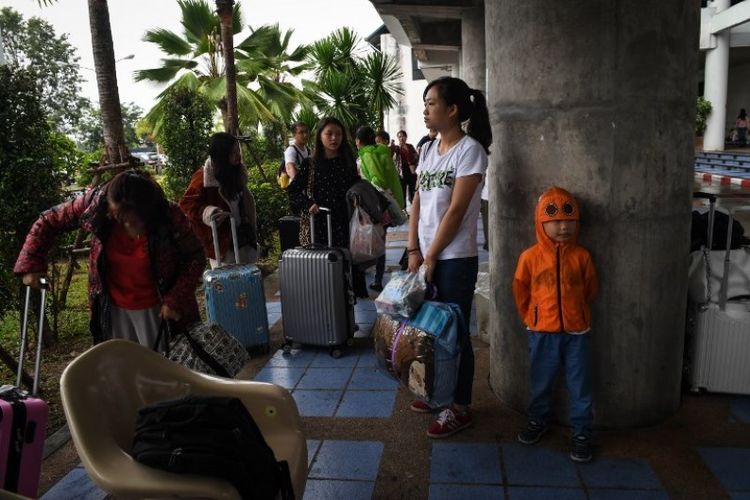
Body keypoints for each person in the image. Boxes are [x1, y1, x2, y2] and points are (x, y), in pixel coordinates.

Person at [14, 170, 204, 348]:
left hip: (158, 310)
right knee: (121, 373)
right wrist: (32, 264)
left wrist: (175, 299)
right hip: (112, 309)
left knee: (164, 374)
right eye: (121, 219)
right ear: (110, 207)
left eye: (136, 221)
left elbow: (195, 257)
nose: (130, 227)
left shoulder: (168, 214)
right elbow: (48, 221)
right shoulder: (95, 205)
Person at [406, 76, 492, 438]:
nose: (425, 110)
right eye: (425, 104)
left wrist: (432, 256)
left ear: (452, 109)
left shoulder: (470, 150)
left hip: (454, 258)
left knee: (454, 334)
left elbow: (456, 211)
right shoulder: (428, 149)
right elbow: (418, 202)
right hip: (427, 257)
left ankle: (459, 406)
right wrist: (413, 250)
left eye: (431, 103)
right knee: (428, 330)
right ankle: (436, 392)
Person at [512, 186, 598, 463]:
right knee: (541, 381)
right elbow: (520, 289)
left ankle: (582, 432)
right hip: (542, 332)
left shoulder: (582, 256)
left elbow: (590, 288)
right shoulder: (530, 257)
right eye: (556, 221)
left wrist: (578, 312)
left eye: (569, 220)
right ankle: (538, 420)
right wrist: (531, 316)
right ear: (541, 222)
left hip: (577, 332)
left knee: (579, 384)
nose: (563, 227)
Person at [288, 117, 367, 296]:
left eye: (338, 134)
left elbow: (355, 184)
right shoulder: (311, 163)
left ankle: (346, 318)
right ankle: (328, 316)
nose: (334, 138)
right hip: (320, 227)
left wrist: (357, 196)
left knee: (346, 274)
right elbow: (293, 191)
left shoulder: (347, 161)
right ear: (320, 136)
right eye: (329, 134)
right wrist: (308, 204)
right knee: (324, 275)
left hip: (345, 225)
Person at [179, 132, 258, 268]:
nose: (238, 156)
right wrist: (210, 212)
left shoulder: (237, 171)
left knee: (246, 279)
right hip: (221, 243)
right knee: (228, 283)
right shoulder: (203, 176)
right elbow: (186, 205)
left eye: (238, 150)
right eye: (233, 153)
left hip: (242, 237)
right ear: (222, 155)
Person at [355, 126, 406, 291]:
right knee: (380, 239)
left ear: (358, 142)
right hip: (386, 204)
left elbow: (377, 180)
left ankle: (375, 278)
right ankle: (376, 276)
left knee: (369, 240)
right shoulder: (383, 152)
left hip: (372, 205)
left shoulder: (367, 155)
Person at [396, 130, 419, 205]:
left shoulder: (410, 146)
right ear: (398, 138)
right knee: (402, 191)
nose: (401, 138)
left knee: (413, 189)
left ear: (406, 137)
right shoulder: (397, 148)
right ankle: (404, 209)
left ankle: (413, 206)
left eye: (403, 136)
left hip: (411, 170)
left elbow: (416, 156)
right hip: (402, 171)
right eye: (400, 137)